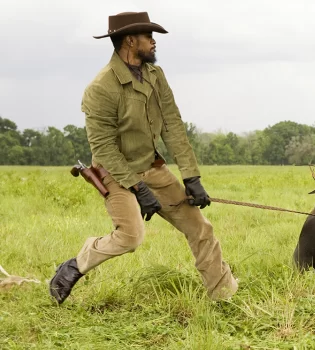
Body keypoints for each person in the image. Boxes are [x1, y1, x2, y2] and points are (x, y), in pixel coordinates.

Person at [49, 12, 238, 304]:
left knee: (201, 229)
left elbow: (173, 125)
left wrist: (192, 177)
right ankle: (74, 265)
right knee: (131, 237)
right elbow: (103, 149)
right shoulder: (100, 88)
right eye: (148, 37)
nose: (153, 42)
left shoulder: (155, 75)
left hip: (154, 169)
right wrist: (138, 188)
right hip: (117, 174)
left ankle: (224, 296)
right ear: (129, 40)